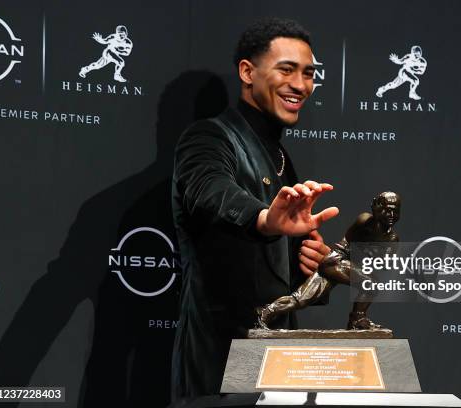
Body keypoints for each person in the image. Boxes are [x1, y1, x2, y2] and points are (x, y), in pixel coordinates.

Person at [170, 18, 339, 399]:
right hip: (221, 363)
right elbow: (209, 191)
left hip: (279, 365)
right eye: (287, 69)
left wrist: (311, 265)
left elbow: (272, 275)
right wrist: (264, 218)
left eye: (309, 73)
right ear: (248, 72)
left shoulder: (280, 157)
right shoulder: (209, 137)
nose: (300, 84)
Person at [256, 192, 401, 330]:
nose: (391, 216)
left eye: (396, 212)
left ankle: (266, 311)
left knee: (301, 298)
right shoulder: (364, 221)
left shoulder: (392, 239)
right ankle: (357, 320)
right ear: (375, 207)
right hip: (335, 260)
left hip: (342, 264)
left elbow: (380, 266)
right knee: (369, 283)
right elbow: (346, 243)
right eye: (387, 211)